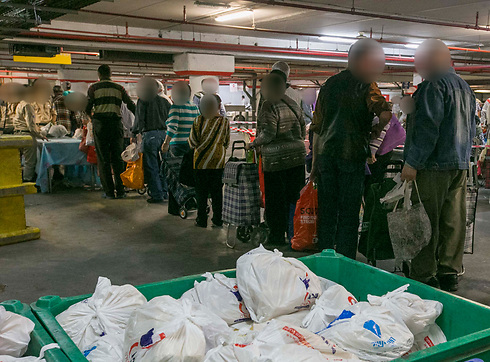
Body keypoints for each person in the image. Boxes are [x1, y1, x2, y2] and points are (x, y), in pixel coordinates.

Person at [401, 39, 476, 292]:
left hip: (433, 165)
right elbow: (471, 127)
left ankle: (424, 273)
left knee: (426, 220)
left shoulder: (433, 85)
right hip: (460, 163)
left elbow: (428, 128)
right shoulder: (465, 88)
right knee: (453, 220)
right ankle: (449, 271)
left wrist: (412, 162)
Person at [311, 38, 392, 260]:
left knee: (327, 211)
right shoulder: (367, 85)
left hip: (327, 156)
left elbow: (317, 128)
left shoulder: (328, 85)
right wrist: (375, 132)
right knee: (349, 213)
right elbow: (386, 114)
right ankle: (346, 259)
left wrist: (315, 165)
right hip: (352, 156)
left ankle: (324, 256)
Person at [247, 71, 306, 245]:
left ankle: (277, 237)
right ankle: (294, 233)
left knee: (275, 200)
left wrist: (253, 144)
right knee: (293, 198)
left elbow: (268, 134)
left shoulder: (268, 105)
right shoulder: (292, 103)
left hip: (276, 161)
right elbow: (303, 131)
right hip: (297, 158)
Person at [86, 64, 136, 199]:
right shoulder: (119, 88)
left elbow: (87, 107)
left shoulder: (93, 88)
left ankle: (108, 192)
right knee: (118, 159)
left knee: (103, 160)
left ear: (99, 74)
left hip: (100, 125)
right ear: (110, 74)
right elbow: (131, 105)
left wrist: (92, 118)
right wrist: (140, 119)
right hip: (116, 125)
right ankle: (120, 191)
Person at [188, 94, 230, 228]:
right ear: (218, 106)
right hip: (218, 163)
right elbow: (226, 142)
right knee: (217, 192)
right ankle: (217, 219)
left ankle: (201, 220)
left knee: (201, 193)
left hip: (200, 163)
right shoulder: (224, 122)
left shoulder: (197, 121)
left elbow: (192, 142)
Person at [161, 81, 200, 215]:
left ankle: (175, 207)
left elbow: (172, 127)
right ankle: (190, 201)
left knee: (175, 177)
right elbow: (198, 126)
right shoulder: (194, 107)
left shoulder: (175, 107)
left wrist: (166, 143)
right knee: (188, 176)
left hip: (177, 146)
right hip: (190, 146)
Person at [132, 77, 171, 203]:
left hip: (150, 135)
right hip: (165, 135)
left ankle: (157, 194)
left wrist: (135, 133)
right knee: (165, 165)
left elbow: (139, 119)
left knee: (151, 166)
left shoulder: (143, 101)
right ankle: (165, 191)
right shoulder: (165, 101)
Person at [12, 85, 47, 182]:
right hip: (27, 136)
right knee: (30, 161)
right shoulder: (27, 105)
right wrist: (40, 135)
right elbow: (31, 126)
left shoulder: (19, 104)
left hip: (18, 134)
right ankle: (27, 180)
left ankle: (16, 179)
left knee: (18, 161)